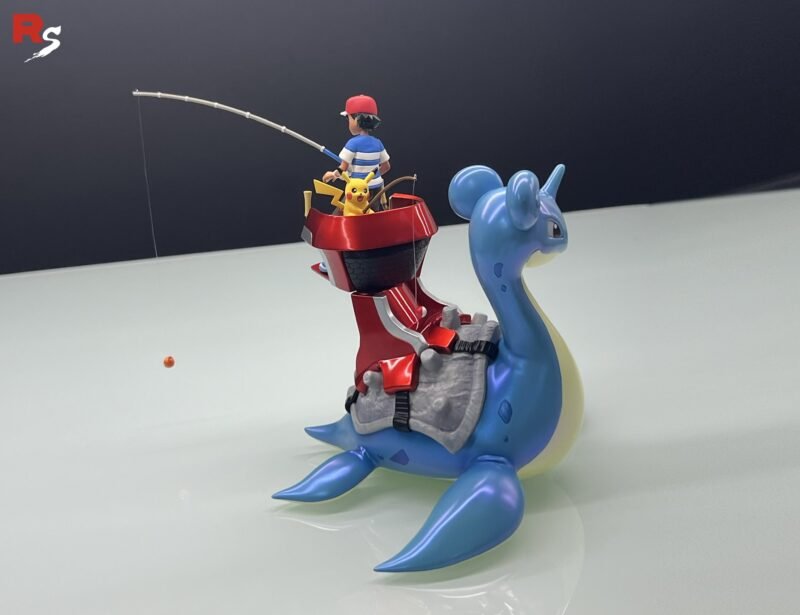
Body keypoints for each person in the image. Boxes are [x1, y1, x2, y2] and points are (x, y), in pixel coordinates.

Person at [323, 95, 391, 196]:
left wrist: (333, 175)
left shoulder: (352, 143)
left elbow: (343, 168)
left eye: (348, 118)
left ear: (356, 120)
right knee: (375, 207)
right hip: (377, 188)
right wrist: (373, 178)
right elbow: (386, 167)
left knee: (346, 206)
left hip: (357, 191)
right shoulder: (378, 143)